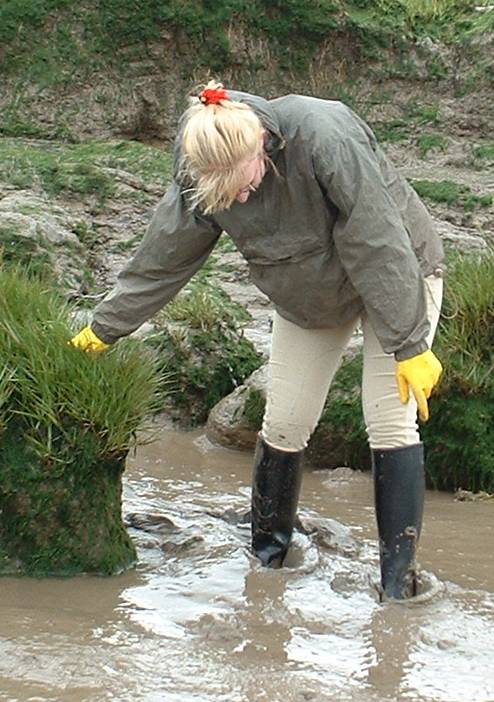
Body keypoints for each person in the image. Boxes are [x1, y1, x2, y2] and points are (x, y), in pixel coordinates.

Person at [71, 81, 445, 600]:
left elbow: (376, 239)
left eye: (241, 184)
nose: (237, 198)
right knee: (285, 421)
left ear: (261, 145)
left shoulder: (323, 134)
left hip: (397, 274)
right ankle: (267, 564)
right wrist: (104, 327)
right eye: (220, 192)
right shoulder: (200, 160)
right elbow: (167, 251)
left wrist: (410, 344)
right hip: (307, 291)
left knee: (387, 421)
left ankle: (397, 588)